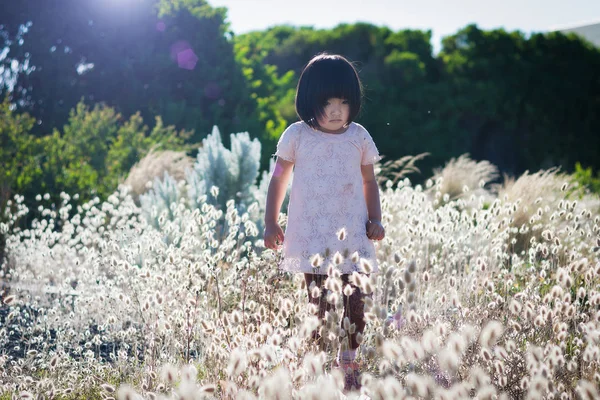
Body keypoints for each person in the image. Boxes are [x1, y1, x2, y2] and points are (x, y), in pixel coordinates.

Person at [263, 53, 385, 392]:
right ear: (308, 101)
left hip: (353, 235)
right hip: (313, 236)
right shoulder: (297, 136)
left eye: (343, 102)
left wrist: (375, 219)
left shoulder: (358, 136)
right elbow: (278, 179)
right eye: (326, 102)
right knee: (319, 305)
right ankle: (315, 368)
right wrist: (271, 222)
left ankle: (349, 361)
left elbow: (369, 182)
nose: (335, 110)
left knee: (355, 303)